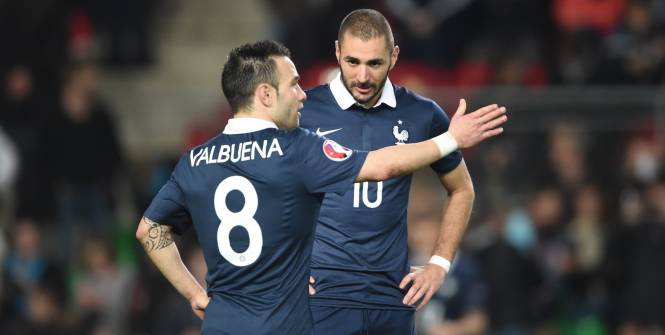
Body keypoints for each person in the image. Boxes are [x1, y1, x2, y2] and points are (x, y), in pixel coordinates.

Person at [135, 40, 506, 335]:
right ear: (265, 94)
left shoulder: (196, 159)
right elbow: (381, 165)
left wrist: (194, 292)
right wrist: (450, 139)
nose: (302, 94)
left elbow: (149, 230)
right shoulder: (297, 148)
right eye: (293, 84)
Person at [299, 9, 493, 334]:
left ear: (394, 56)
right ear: (337, 52)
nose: (362, 76)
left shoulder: (421, 114)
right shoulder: (303, 111)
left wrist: (439, 264)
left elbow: (462, 189)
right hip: (322, 298)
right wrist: (282, 265)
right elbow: (268, 188)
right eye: (352, 62)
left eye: (374, 63)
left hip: (392, 300)